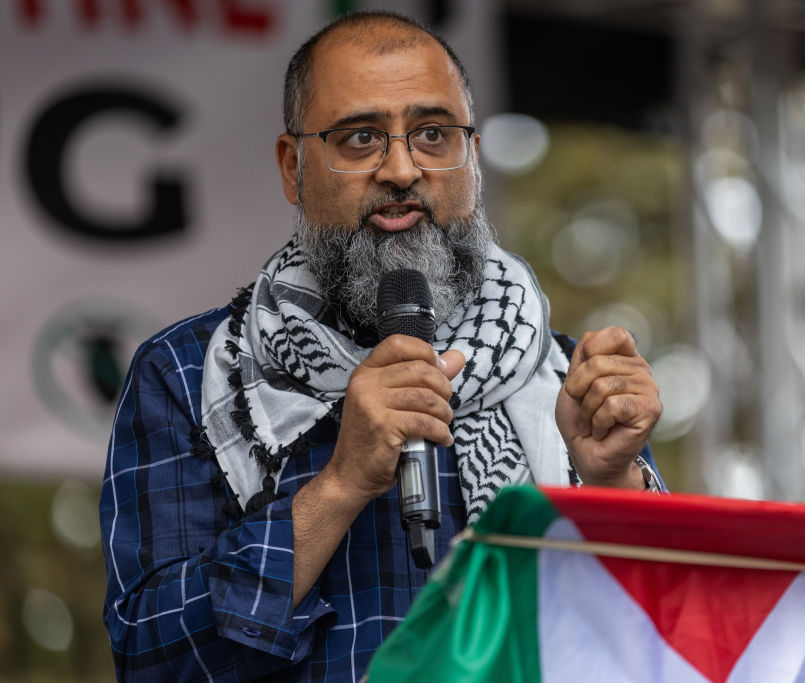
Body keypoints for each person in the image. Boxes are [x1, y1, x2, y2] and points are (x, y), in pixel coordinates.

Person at [100, 10, 663, 681]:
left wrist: (609, 484)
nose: (401, 168)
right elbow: (151, 656)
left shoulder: (563, 381)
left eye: (431, 133)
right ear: (294, 167)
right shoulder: (191, 372)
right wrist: (341, 482)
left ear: (473, 158)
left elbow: (662, 647)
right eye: (361, 137)